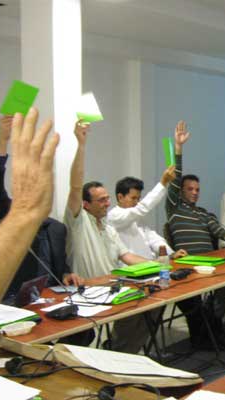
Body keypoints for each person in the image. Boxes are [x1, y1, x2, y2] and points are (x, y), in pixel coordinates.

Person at [0, 108, 60, 347]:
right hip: (11, 305)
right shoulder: (6, 215)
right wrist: (3, 141)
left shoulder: (55, 228)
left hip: (45, 299)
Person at [65, 121, 155, 354]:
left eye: (107, 198)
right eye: (102, 200)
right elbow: (75, 186)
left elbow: (127, 256)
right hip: (89, 292)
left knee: (154, 304)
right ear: (86, 204)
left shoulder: (108, 226)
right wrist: (81, 144)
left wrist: (160, 267)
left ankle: (121, 352)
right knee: (137, 309)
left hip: (115, 287)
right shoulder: (78, 221)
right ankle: (118, 353)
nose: (108, 203)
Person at [0, 116, 83, 301]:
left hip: (52, 299)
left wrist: (67, 275)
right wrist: (3, 140)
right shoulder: (7, 219)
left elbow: (60, 268)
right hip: (14, 302)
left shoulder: (57, 229)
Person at [164, 121, 225, 350]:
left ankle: (213, 329)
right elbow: (174, 178)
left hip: (210, 265)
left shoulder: (204, 213)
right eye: (190, 189)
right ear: (181, 192)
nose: (195, 193)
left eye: (197, 189)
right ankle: (207, 336)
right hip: (187, 266)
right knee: (197, 301)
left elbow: (218, 229)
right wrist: (178, 149)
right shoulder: (174, 208)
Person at [107, 172, 186, 261]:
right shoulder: (114, 216)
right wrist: (163, 182)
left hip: (150, 264)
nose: (137, 202)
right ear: (120, 197)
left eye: (138, 198)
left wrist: (170, 253)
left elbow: (152, 238)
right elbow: (142, 208)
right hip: (130, 267)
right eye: (133, 198)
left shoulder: (136, 216)